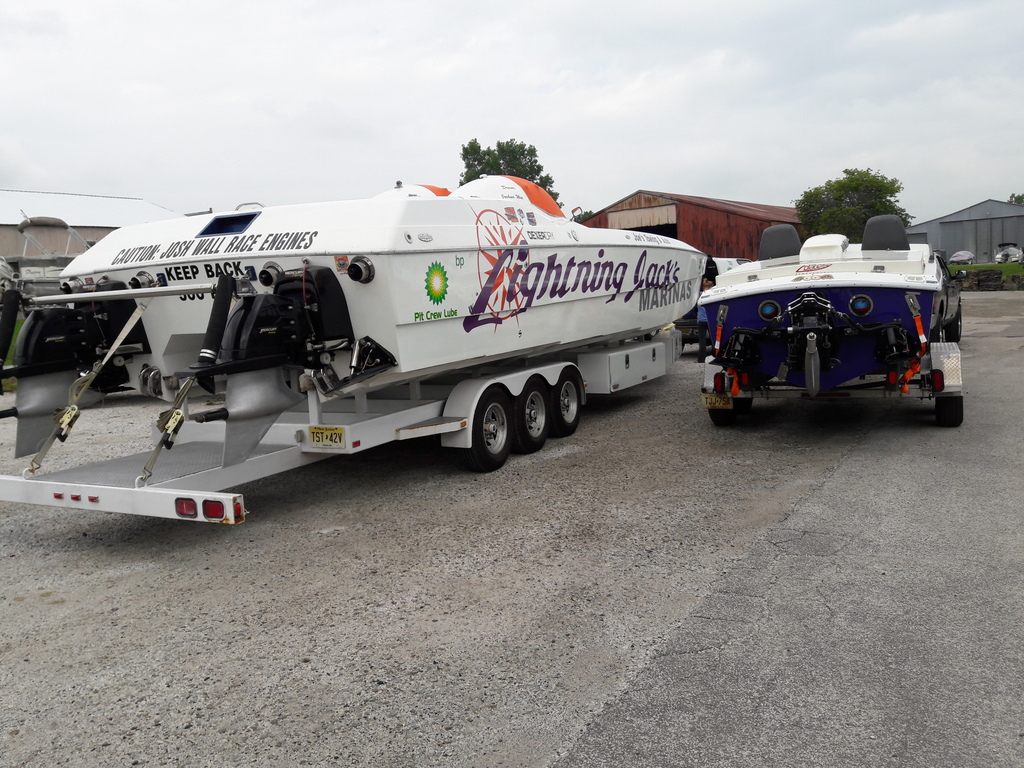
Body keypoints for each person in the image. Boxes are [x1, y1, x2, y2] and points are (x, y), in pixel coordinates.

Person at [695, 277, 713, 362]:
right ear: (711, 287)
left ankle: (701, 359)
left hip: (701, 321)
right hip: (710, 320)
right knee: (713, 340)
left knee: (702, 341)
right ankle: (715, 357)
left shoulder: (698, 295)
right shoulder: (713, 295)